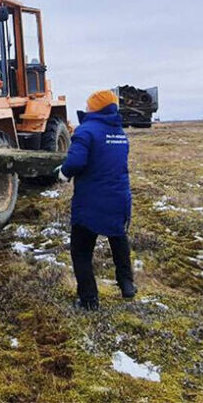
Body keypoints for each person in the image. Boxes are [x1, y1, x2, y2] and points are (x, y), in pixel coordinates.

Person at [57, 89, 136, 310]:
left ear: (96, 107)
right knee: (118, 236)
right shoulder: (119, 132)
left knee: (81, 251)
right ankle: (126, 283)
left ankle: (89, 299)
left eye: (90, 104)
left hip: (92, 199)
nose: (87, 106)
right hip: (119, 197)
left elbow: (76, 162)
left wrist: (63, 173)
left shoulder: (86, 131)